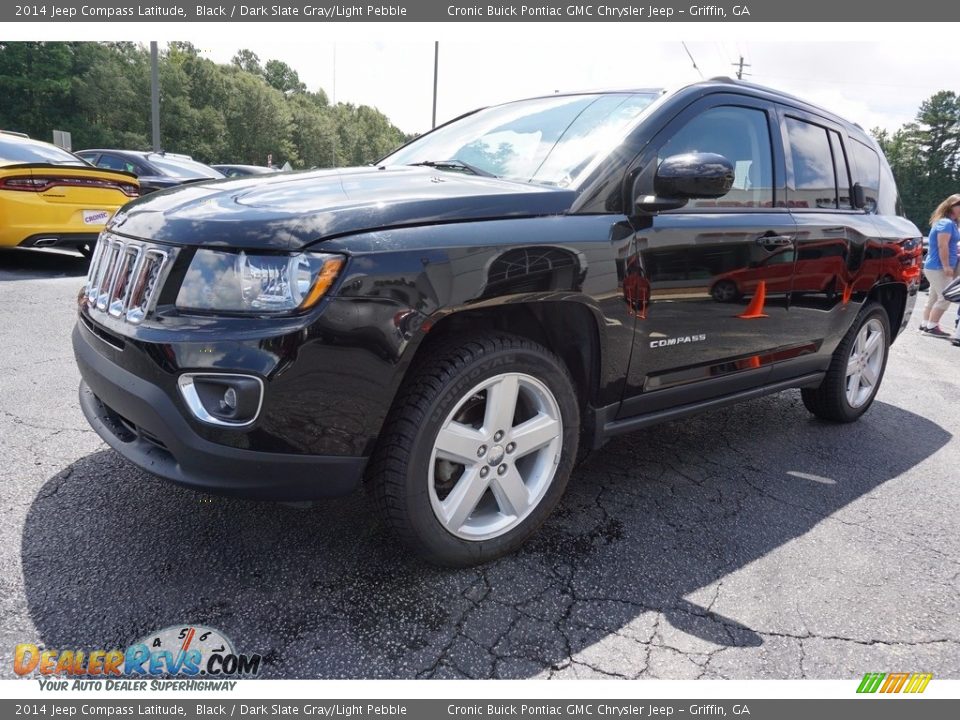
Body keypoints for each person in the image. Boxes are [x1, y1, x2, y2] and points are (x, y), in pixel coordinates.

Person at [920, 194, 960, 338]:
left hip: (934, 266)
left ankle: (925, 323)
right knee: (946, 297)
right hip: (939, 266)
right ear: (951, 206)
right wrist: (947, 266)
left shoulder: (949, 222)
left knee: (934, 296)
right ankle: (932, 327)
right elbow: (942, 246)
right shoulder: (947, 223)